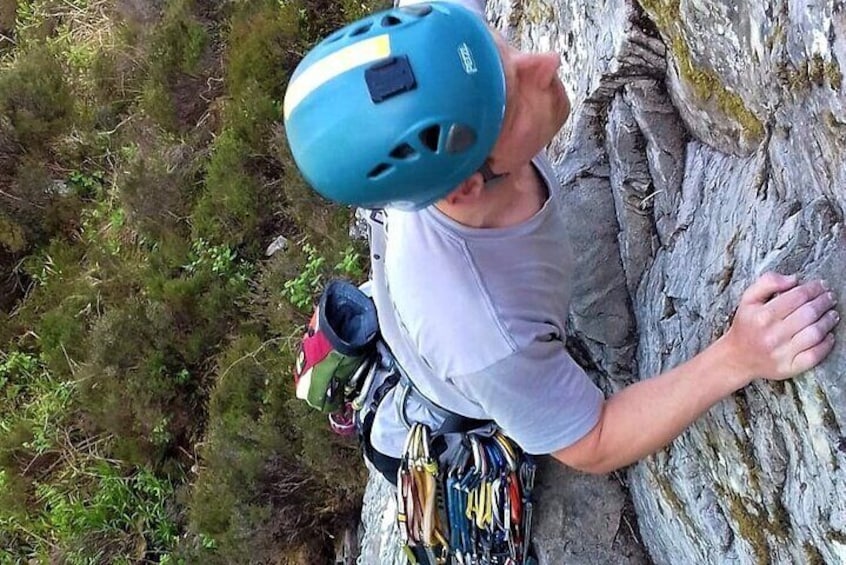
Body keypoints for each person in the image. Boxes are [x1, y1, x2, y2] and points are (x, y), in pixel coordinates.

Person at [284, 0, 839, 494]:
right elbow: (591, 441)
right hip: (464, 373)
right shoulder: (485, 331)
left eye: (500, 49)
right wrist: (737, 355)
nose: (544, 63)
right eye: (510, 97)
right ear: (466, 187)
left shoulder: (448, 65)